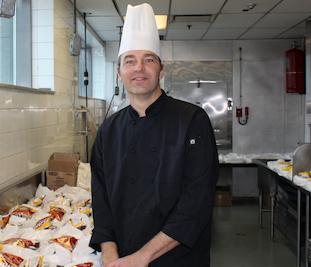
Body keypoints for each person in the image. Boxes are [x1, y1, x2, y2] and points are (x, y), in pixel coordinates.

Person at [89, 3, 219, 267]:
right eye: (130, 61)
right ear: (119, 73)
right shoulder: (108, 130)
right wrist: (111, 255)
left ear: (161, 71)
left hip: (178, 259)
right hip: (123, 257)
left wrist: (141, 258)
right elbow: (101, 200)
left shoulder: (193, 121)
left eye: (148, 59)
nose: (139, 68)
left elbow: (197, 202)